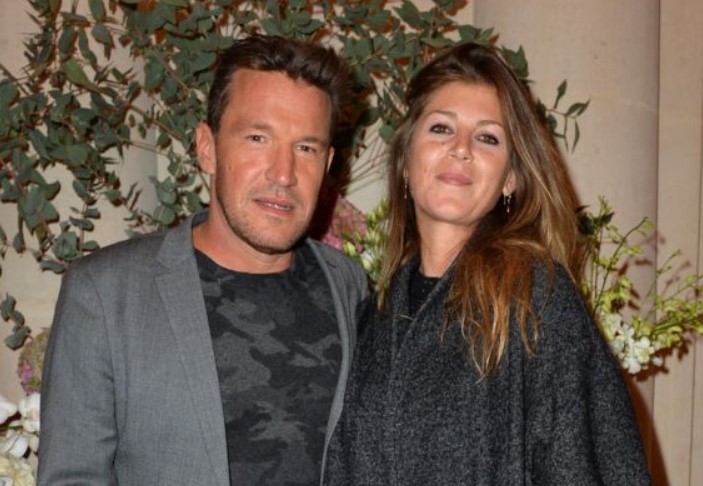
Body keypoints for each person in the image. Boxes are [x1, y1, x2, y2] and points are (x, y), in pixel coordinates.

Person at [38, 35, 368, 486]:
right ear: (207, 148)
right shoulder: (105, 292)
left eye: (306, 148)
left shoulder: (349, 284)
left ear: (327, 163)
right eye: (258, 138)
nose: (284, 173)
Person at [324, 43, 650, 485]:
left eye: (488, 137)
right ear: (405, 162)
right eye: (441, 128)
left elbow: (591, 468)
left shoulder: (538, 301)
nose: (461, 148)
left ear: (510, 179)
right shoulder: (371, 317)